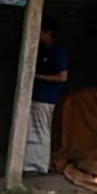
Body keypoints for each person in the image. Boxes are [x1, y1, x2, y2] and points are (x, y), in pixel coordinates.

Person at [27, 19, 68, 175]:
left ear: (48, 33)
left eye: (40, 32)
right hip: (38, 96)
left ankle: (39, 166)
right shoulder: (43, 50)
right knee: (33, 131)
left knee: (41, 131)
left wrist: (38, 77)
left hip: (46, 98)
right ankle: (31, 165)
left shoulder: (58, 52)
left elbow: (62, 77)